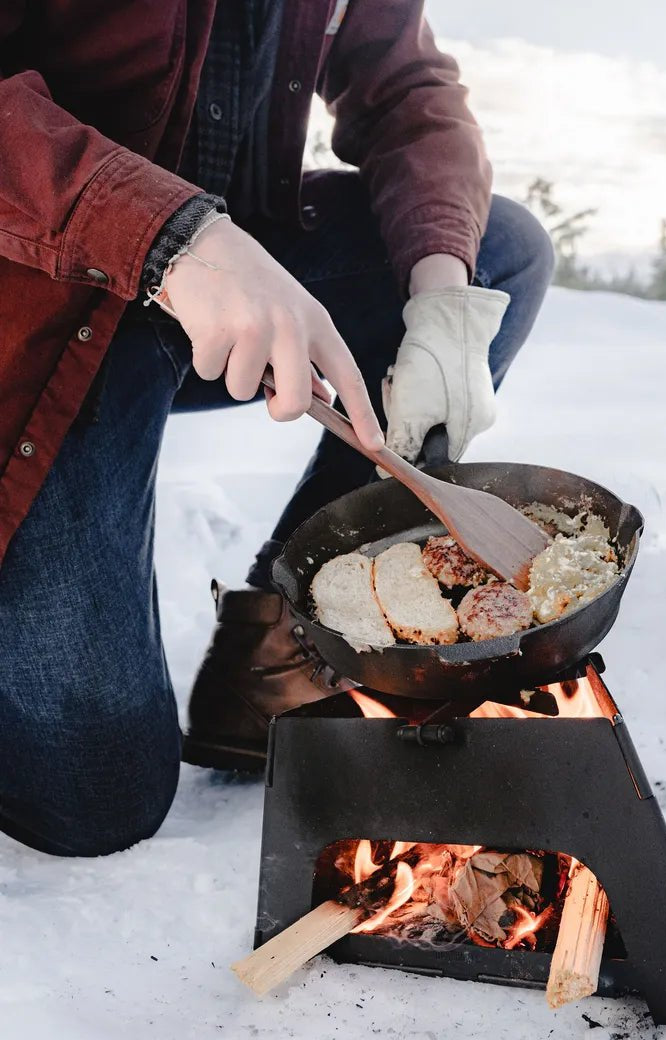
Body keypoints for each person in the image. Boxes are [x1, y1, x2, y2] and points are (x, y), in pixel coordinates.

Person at [0, 0, 554, 856]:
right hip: (37, 296)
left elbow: (406, 87)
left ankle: (278, 648)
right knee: (97, 801)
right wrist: (170, 237)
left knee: (498, 252)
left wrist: (443, 290)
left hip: (223, 274)